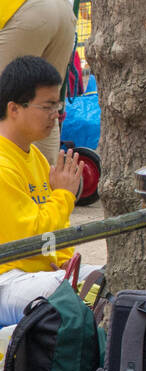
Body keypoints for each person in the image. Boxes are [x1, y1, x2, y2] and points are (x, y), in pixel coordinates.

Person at [0, 57, 79, 326]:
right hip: (6, 279)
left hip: (35, 277)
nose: (56, 114)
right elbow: (32, 236)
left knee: (101, 279)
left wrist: (67, 261)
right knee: (83, 289)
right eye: (47, 106)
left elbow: (56, 229)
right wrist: (64, 195)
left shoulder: (35, 156)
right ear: (14, 109)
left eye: (57, 105)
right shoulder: (2, 165)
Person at [0, 0, 76, 161]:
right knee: (47, 106)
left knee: (5, 104)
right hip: (58, 4)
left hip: (26, 13)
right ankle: (47, 184)